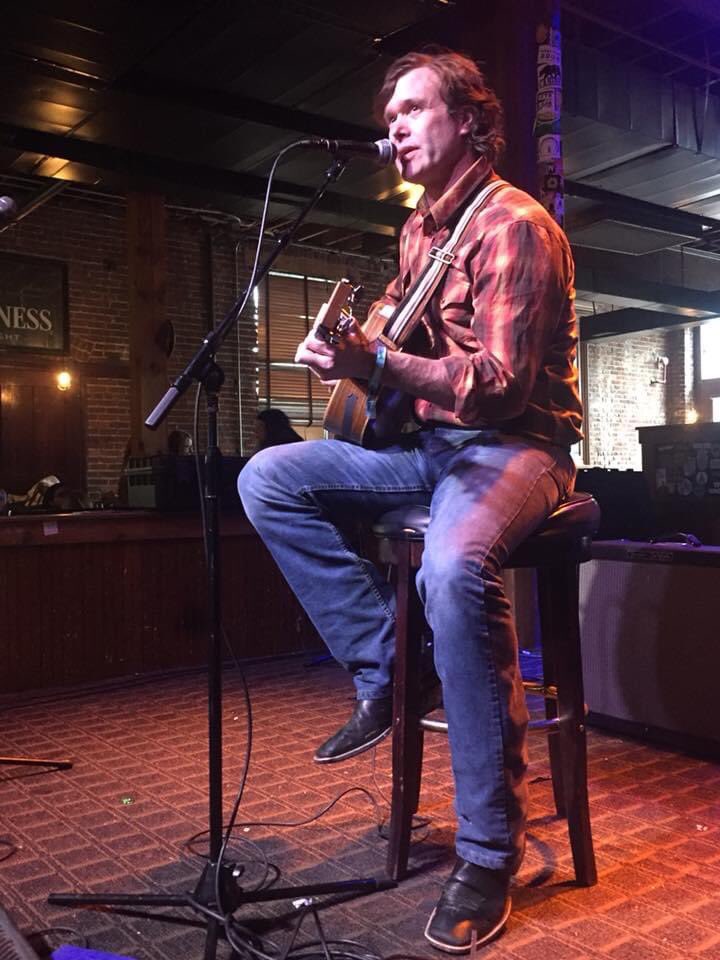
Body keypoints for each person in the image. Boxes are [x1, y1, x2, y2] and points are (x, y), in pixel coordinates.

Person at [239, 49, 582, 953]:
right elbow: (393, 331)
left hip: (521, 448)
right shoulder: (420, 234)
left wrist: (378, 362)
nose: (392, 127)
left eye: (412, 109)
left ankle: (485, 850)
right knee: (267, 476)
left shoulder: (515, 225)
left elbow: (503, 386)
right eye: (387, 114)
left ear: (470, 120)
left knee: (453, 563)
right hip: (433, 450)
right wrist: (347, 345)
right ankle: (390, 666)